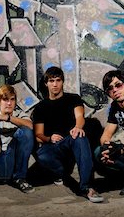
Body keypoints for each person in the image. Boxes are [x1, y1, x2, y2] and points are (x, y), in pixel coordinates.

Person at [32, 66, 104, 203]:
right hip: (54, 146)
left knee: (80, 136)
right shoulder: (41, 107)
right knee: (42, 154)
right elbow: (38, 134)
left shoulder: (73, 99)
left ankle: (87, 187)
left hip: (71, 140)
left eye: (58, 80)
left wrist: (77, 128)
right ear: (46, 83)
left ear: (62, 82)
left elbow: (80, 117)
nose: (55, 84)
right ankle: (61, 174)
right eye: (51, 81)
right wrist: (49, 138)